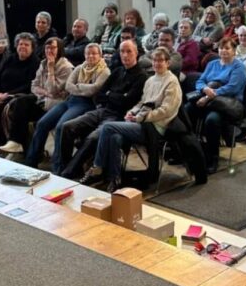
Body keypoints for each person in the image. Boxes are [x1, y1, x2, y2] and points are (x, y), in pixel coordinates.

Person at [82, 48, 182, 191]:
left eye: (160, 60)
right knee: (115, 137)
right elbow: (142, 102)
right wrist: (132, 112)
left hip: (155, 127)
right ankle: (115, 178)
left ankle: (97, 167)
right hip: (142, 122)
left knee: (108, 127)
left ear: (168, 63)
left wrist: (140, 117)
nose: (157, 63)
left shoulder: (172, 82)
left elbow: (166, 110)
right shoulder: (151, 80)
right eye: (154, 60)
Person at [57, 40, 147, 179]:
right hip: (103, 110)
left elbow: (127, 102)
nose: (125, 55)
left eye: (129, 51)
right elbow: (100, 94)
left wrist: (110, 94)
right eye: (122, 51)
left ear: (136, 53)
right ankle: (66, 167)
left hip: (118, 117)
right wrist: (115, 96)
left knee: (93, 138)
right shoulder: (117, 71)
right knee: (67, 127)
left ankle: (68, 172)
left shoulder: (141, 76)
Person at [27, 43, 110, 173]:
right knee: (42, 123)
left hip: (86, 104)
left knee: (61, 126)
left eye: (94, 53)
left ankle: (59, 167)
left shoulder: (104, 71)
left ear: (100, 55)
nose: (90, 56)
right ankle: (31, 161)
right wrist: (82, 87)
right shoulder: (79, 67)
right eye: (88, 53)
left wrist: (78, 86)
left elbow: (94, 89)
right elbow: (68, 86)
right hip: (69, 101)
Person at [0, 37, 73, 156]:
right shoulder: (43, 63)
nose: (49, 51)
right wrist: (45, 92)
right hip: (42, 100)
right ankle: (15, 143)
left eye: (53, 48)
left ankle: (25, 150)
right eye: (47, 48)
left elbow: (52, 90)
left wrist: (51, 69)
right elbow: (34, 86)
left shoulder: (67, 67)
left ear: (60, 49)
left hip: (55, 105)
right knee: (19, 103)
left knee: (24, 109)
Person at [185, 38, 246, 174]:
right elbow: (200, 81)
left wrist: (209, 95)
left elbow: (232, 88)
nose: (223, 51)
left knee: (211, 120)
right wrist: (204, 90)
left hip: (225, 104)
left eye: (227, 48)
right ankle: (191, 150)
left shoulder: (239, 67)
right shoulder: (212, 63)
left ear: (234, 51)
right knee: (187, 110)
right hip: (208, 99)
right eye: (221, 48)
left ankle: (213, 158)